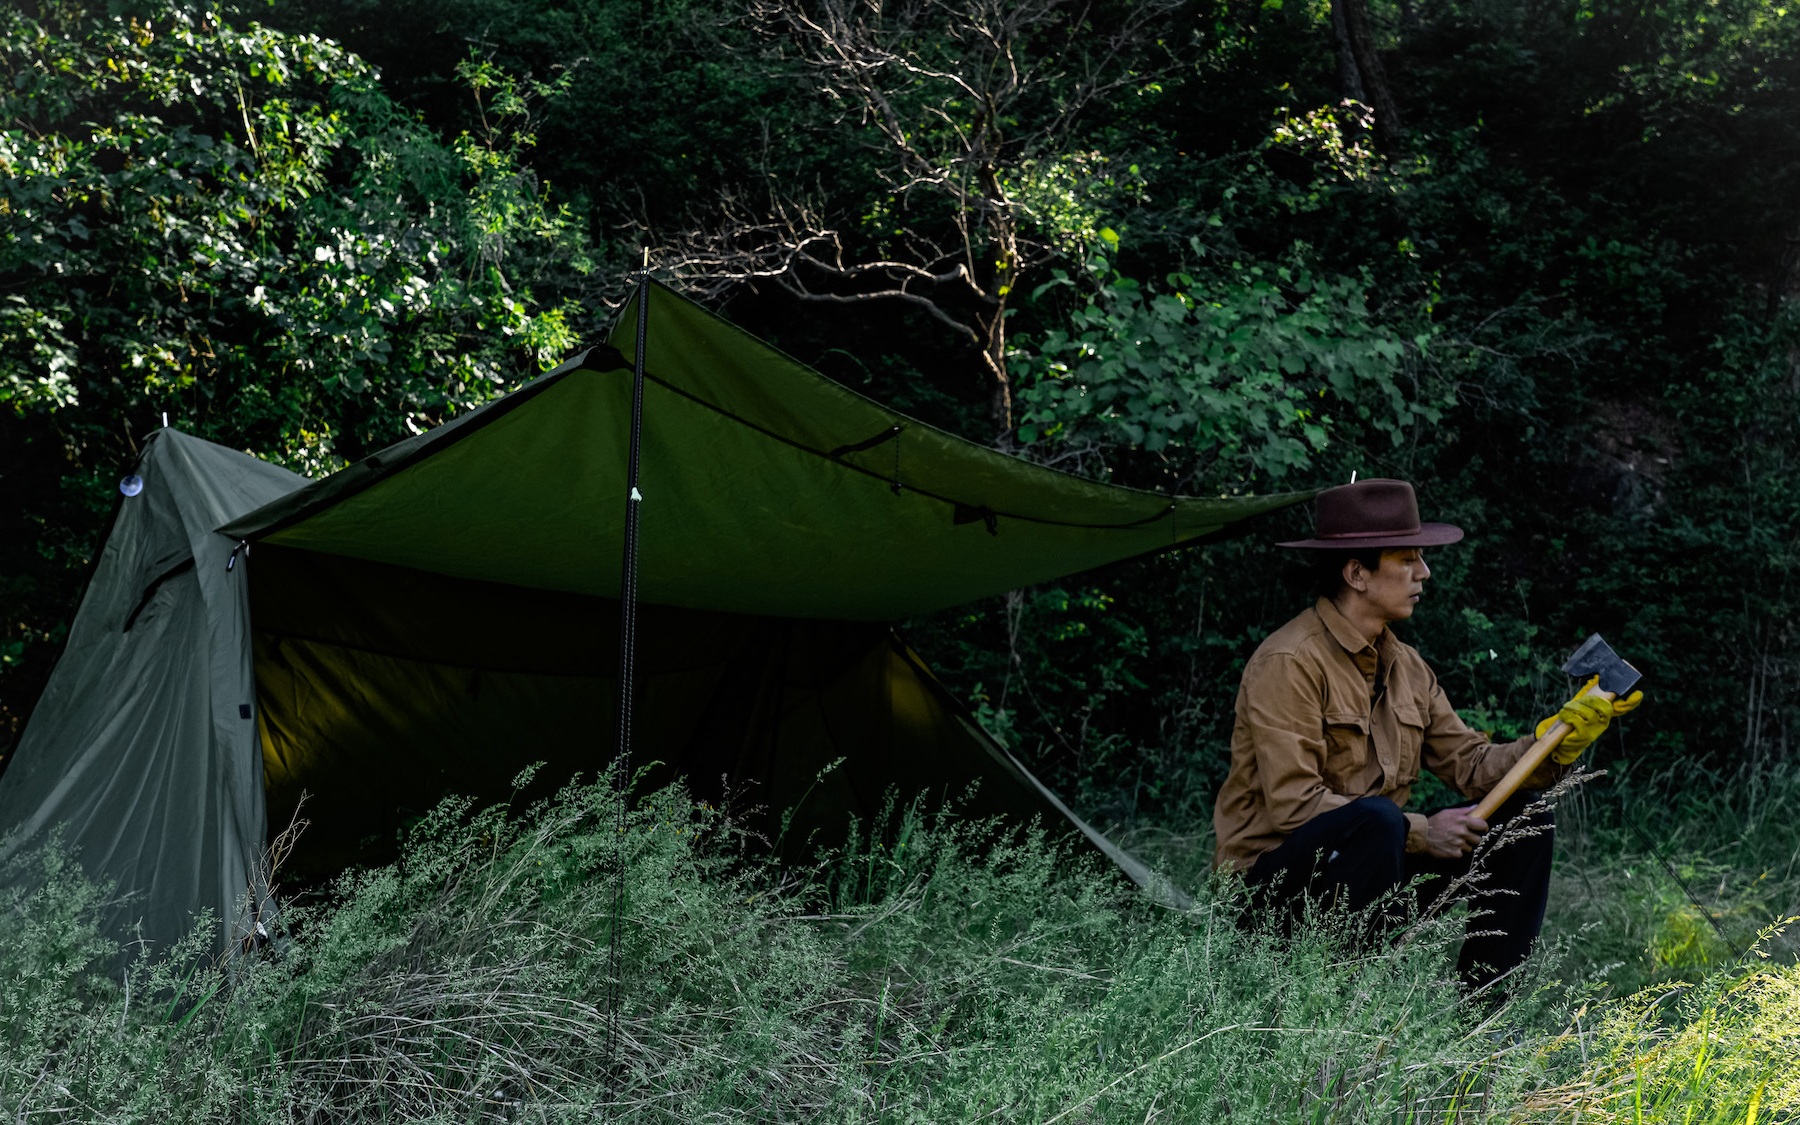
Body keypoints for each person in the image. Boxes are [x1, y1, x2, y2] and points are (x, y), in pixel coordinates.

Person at [1212, 478, 1642, 991]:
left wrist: (1558, 739)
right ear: (1356, 573)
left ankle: (1483, 1013)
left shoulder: (1407, 667)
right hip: (1272, 901)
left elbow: (1474, 767)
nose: (1425, 572)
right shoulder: (1289, 662)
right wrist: (1422, 831)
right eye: (1409, 559)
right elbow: (1292, 805)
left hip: (1374, 877)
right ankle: (1329, 999)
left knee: (1523, 814)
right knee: (1378, 819)